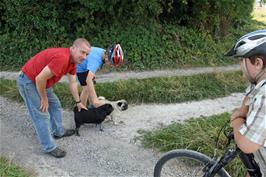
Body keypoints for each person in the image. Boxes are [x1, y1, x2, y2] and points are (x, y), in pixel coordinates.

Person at [16, 38, 91, 158]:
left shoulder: (72, 63)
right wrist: (43, 97)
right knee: (42, 114)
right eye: (82, 52)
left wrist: (78, 102)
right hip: (28, 81)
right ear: (73, 48)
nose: (84, 57)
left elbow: (72, 83)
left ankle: (58, 131)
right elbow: (39, 79)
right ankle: (49, 147)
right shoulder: (62, 58)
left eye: (87, 54)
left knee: (55, 104)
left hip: (41, 82)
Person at [226, 29, 266, 176]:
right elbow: (250, 94)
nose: (239, 66)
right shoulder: (261, 84)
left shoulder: (265, 96)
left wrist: (236, 121)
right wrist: (243, 111)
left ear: (257, 63)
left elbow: (246, 145)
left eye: (241, 60)